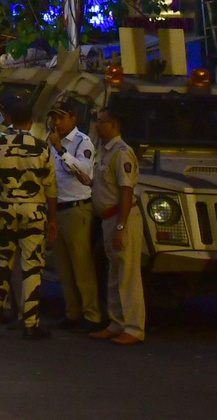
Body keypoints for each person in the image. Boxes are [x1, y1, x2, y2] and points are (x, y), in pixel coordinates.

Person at [0, 96, 55, 339]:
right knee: (32, 267)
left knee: (1, 265)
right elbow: (51, 188)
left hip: (3, 211)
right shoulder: (42, 147)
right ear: (31, 121)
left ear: (9, 119)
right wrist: (52, 219)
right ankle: (30, 323)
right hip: (33, 213)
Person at [89, 106, 144, 345]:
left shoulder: (122, 152)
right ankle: (117, 322)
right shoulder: (104, 151)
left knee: (128, 274)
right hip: (108, 218)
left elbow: (126, 189)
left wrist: (121, 226)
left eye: (101, 122)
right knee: (114, 273)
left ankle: (133, 327)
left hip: (122, 218)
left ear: (112, 126)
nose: (97, 126)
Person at [46, 102, 102, 331]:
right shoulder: (50, 142)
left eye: (60, 118)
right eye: (53, 118)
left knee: (82, 265)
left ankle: (92, 315)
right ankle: (72, 312)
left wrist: (61, 150)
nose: (56, 123)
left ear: (72, 118)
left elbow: (83, 170)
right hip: (56, 210)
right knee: (63, 268)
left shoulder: (82, 142)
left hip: (76, 209)